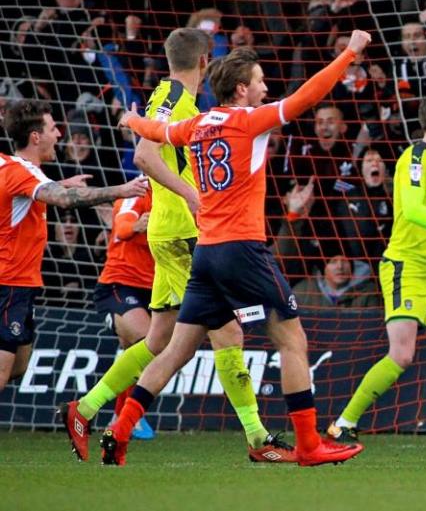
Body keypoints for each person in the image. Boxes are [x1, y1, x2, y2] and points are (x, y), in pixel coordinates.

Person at [105, 29, 372, 467]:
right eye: (261, 80)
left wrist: (132, 122)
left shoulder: (196, 125)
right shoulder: (250, 121)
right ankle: (308, 445)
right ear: (242, 88)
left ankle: (119, 431)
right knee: (292, 339)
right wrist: (348, 54)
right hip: (243, 249)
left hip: (207, 252)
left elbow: (156, 131)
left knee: (177, 349)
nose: (267, 88)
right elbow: (308, 95)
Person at [60, 28, 295, 465]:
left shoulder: (179, 101)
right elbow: (145, 157)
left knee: (160, 339)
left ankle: (86, 409)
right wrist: (190, 194)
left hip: (170, 232)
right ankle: (258, 436)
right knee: (228, 333)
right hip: (184, 229)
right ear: (205, 61)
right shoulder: (172, 94)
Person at [326, 94, 426, 443]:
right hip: (407, 267)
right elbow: (414, 212)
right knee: (401, 355)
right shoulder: (415, 157)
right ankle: (343, 422)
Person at [0, 99, 147, 393]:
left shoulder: (13, 167)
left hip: (21, 285)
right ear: (35, 137)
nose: (59, 135)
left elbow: (29, 191)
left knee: (18, 367)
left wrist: (63, 182)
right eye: (54, 128)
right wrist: (122, 189)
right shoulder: (22, 173)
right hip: (8, 284)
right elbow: (65, 200)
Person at [91, 187, 155, 439]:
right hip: (119, 284)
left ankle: (119, 418)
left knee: (139, 353)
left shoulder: (180, 192)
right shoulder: (137, 192)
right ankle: (121, 416)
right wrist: (136, 226)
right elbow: (122, 228)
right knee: (146, 342)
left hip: (156, 287)